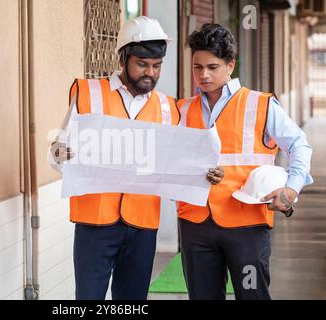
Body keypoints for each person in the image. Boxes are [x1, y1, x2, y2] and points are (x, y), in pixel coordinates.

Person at [49, 16, 223, 300]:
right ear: (123, 58)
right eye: (142, 64)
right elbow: (58, 152)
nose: (150, 73)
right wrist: (60, 155)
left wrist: (204, 173)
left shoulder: (168, 107)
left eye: (156, 66)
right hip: (94, 223)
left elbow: (178, 162)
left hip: (142, 225)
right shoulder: (87, 93)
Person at [176, 23, 313, 300]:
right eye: (197, 67)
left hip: (247, 226)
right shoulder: (183, 109)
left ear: (230, 65)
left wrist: (291, 189)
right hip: (195, 223)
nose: (203, 75)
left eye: (212, 67)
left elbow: (299, 144)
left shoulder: (260, 104)